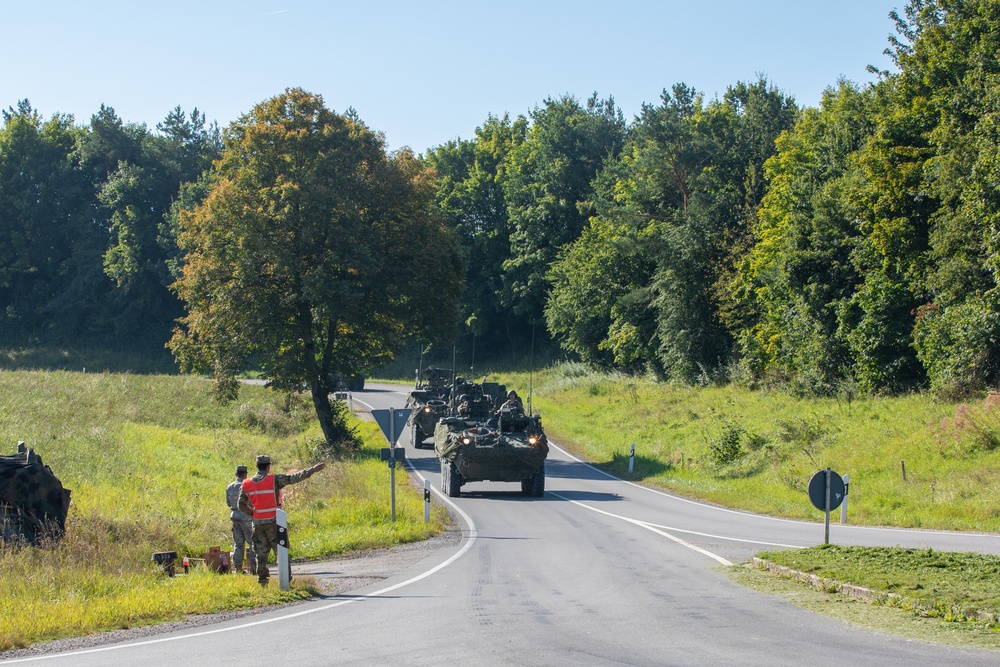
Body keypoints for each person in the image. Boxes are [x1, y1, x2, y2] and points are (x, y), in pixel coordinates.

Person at [238, 455, 327, 586]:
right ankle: (286, 580)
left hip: (257, 523)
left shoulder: (246, 484)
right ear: (269, 467)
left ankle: (263, 582)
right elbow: (293, 478)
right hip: (275, 522)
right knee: (281, 551)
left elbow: (240, 504)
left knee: (260, 553)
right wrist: (312, 470)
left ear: (256, 466)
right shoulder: (274, 480)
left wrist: (252, 512)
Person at [226, 465, 256, 574]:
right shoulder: (248, 485)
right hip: (247, 516)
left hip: (234, 515)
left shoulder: (229, 487)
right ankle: (253, 568)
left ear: (236, 474)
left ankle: (238, 568)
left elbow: (228, 503)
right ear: (246, 474)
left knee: (238, 543)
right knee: (252, 542)